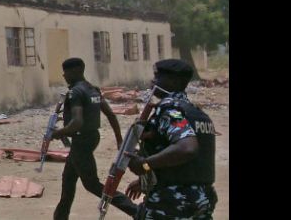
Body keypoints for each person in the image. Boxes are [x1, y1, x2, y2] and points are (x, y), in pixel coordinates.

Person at [124, 59, 218, 219]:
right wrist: (145, 182)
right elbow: (186, 165)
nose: (153, 81)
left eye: (158, 77)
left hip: (173, 203)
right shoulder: (196, 113)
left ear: (174, 81)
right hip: (200, 199)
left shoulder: (169, 109)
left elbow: (187, 148)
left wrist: (144, 165)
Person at [50, 57, 138, 219]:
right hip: (90, 138)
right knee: (68, 181)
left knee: (92, 185)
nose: (64, 76)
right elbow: (111, 115)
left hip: (81, 140)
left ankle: (135, 211)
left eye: (66, 72)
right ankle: (60, 216)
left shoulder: (75, 92)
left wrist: (56, 134)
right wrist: (119, 139)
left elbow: (77, 122)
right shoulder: (93, 90)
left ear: (75, 71)